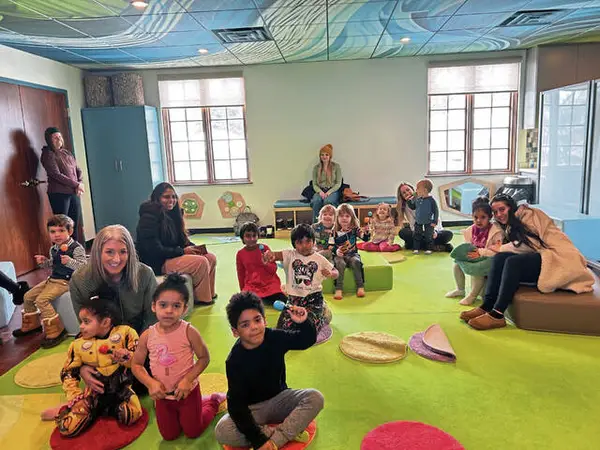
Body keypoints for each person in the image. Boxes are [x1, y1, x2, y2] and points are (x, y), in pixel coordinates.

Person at [460, 194, 595, 330]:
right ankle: (487, 306)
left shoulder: (529, 216)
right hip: (544, 255)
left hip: (559, 259)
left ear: (511, 207)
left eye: (502, 209)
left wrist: (499, 248)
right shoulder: (511, 223)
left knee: (513, 262)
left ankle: (498, 314)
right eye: (495, 212)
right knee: (499, 258)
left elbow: (530, 244)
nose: (499, 214)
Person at [215, 292, 324, 450]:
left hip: (281, 399)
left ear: (264, 320)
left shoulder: (274, 337)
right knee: (222, 431)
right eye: (245, 325)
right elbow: (236, 405)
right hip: (253, 410)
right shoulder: (234, 360)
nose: (254, 327)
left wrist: (303, 322)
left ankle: (276, 439)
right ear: (235, 331)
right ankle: (286, 432)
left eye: (257, 320)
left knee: (315, 397)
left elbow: (305, 340)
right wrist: (258, 439)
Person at [132, 273, 225, 441]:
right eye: (163, 305)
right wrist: (150, 383)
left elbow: (204, 358)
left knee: (193, 432)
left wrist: (188, 380)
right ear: (153, 306)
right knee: (169, 435)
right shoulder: (147, 335)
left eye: (176, 306)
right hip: (162, 396)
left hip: (188, 392)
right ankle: (197, 406)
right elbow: (136, 365)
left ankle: (212, 401)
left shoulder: (189, 331)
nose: (169, 310)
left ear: (184, 308)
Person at [70, 225, 157, 393]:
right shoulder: (80, 280)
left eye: (123, 252)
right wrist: (83, 365)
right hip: (101, 345)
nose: (116, 259)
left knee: (146, 384)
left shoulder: (145, 274)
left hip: (139, 340)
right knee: (104, 388)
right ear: (98, 252)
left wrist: (136, 353)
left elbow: (152, 320)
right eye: (109, 252)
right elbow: (84, 326)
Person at [49, 297, 142, 436]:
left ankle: (111, 409)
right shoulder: (77, 345)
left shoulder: (126, 333)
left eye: (86, 322)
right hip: (93, 395)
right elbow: (68, 373)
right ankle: (79, 410)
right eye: (81, 321)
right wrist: (76, 397)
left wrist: (127, 356)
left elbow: (138, 361)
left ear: (105, 322)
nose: (81, 326)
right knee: (67, 428)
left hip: (122, 391)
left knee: (132, 414)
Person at [136, 182, 217, 305]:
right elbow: (154, 249)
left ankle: (209, 293)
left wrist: (193, 248)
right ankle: (202, 299)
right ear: (157, 198)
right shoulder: (149, 218)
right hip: (158, 262)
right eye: (166, 197)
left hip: (171, 256)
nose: (171, 200)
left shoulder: (173, 214)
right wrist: (182, 251)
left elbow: (181, 240)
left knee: (210, 258)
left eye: (174, 197)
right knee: (201, 262)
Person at [12, 214, 86, 348]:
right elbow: (53, 264)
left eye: (61, 230)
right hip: (53, 279)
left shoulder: (76, 248)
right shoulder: (54, 248)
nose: (57, 235)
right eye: (52, 232)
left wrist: (70, 262)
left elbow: (83, 267)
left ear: (70, 231)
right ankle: (32, 325)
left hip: (67, 281)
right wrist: (44, 262)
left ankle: (57, 331)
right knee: (28, 296)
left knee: (42, 300)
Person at [263, 224, 337, 334]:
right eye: (299, 242)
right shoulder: (290, 254)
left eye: (308, 241)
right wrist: (269, 255)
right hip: (294, 300)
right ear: (294, 244)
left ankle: (324, 314)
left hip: (314, 298)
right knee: (283, 328)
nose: (304, 245)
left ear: (313, 241)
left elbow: (336, 272)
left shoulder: (319, 259)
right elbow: (275, 255)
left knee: (309, 328)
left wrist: (331, 273)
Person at [445, 197, 503, 305]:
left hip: (489, 258)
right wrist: (464, 255)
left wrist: (481, 253)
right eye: (475, 217)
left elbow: (497, 250)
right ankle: (460, 289)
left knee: (478, 270)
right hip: (475, 257)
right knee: (457, 264)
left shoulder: (495, 231)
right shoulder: (470, 230)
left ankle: (472, 296)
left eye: (483, 217)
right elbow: (467, 246)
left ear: (490, 217)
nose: (478, 220)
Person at [40, 127, 84, 242]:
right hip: (59, 195)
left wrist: (80, 183)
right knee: (62, 226)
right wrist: (76, 185)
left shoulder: (66, 152)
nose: (58, 139)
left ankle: (75, 250)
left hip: (73, 193)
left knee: (73, 224)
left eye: (59, 137)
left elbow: (78, 169)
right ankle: (62, 250)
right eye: (55, 138)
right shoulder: (48, 154)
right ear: (49, 140)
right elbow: (56, 174)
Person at [236, 222, 286, 305]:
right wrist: (242, 291)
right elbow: (241, 274)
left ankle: (263, 299)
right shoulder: (240, 254)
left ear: (258, 236)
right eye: (248, 236)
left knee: (283, 299)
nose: (252, 239)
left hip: (269, 284)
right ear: (242, 238)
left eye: (254, 235)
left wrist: (266, 264)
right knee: (243, 301)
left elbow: (273, 269)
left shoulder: (264, 248)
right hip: (252, 285)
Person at [396, 181, 454, 252]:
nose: (407, 193)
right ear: (402, 197)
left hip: (431, 230)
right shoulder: (407, 206)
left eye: (408, 190)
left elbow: (436, 218)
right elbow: (412, 223)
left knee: (448, 234)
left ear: (413, 190)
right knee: (403, 232)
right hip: (419, 231)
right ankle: (433, 246)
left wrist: (434, 231)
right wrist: (420, 233)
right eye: (404, 193)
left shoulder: (428, 198)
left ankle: (417, 246)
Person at [332, 203, 369, 300]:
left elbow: (365, 238)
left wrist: (366, 232)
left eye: (347, 216)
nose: (344, 218)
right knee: (339, 263)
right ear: (337, 218)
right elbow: (330, 246)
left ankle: (360, 286)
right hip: (339, 256)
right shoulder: (334, 231)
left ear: (352, 218)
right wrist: (336, 251)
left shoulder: (355, 230)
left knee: (356, 262)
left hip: (352, 254)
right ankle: (338, 288)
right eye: (341, 216)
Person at [310, 144, 342, 222]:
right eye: (322, 155)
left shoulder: (336, 166)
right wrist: (320, 192)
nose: (324, 157)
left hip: (332, 190)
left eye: (326, 155)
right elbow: (314, 184)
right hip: (320, 190)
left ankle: (331, 224)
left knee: (328, 201)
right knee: (316, 201)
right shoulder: (316, 168)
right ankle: (316, 225)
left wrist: (329, 192)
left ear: (330, 156)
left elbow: (338, 183)